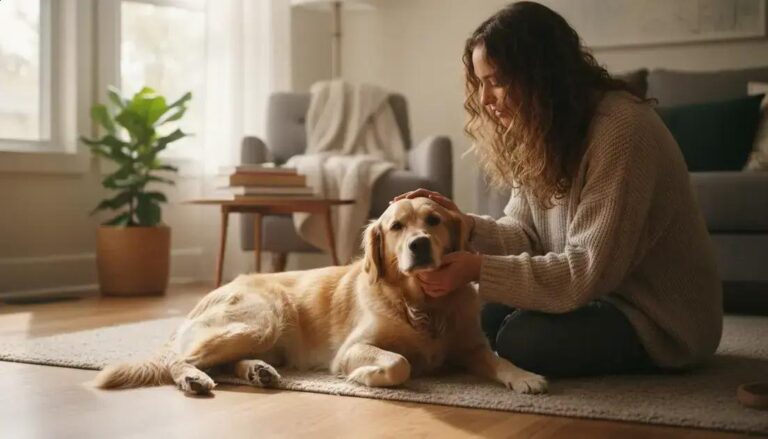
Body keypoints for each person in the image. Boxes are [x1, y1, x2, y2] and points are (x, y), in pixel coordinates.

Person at [393, 1, 722, 378]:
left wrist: (478, 268)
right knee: (474, 315)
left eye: (496, 82)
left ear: (540, 76)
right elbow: (524, 235)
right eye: (479, 84)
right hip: (592, 296)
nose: (484, 101)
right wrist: (462, 226)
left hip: (656, 319)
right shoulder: (540, 128)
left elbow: (584, 271)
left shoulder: (623, 131)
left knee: (519, 339)